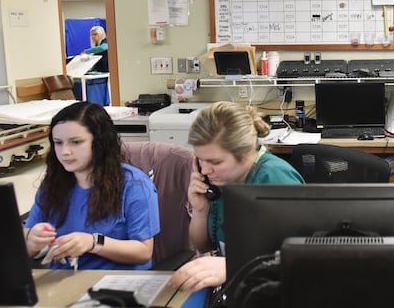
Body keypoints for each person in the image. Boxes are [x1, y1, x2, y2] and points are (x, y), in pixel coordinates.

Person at [168, 101, 305, 293]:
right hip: (237, 288)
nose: (205, 170)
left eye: (215, 162)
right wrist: (200, 210)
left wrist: (231, 265)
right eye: (200, 159)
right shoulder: (222, 181)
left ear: (246, 153)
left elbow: (300, 260)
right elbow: (204, 245)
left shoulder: (275, 178)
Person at [24, 101, 160, 270]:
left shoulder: (134, 185)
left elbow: (143, 252)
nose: (65, 151)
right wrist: (32, 241)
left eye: (76, 142)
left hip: (114, 281)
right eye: (58, 143)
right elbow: (23, 243)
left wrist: (94, 242)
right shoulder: (52, 184)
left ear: (99, 142)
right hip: (64, 279)